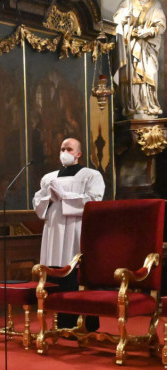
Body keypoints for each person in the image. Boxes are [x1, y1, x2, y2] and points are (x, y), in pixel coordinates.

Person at [33, 138, 105, 332]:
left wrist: (65, 196)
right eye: (62, 149)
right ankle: (61, 323)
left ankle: (86, 324)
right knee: (56, 273)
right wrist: (49, 197)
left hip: (77, 228)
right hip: (54, 229)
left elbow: (94, 201)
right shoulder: (49, 178)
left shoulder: (91, 175)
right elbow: (38, 202)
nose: (64, 152)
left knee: (76, 272)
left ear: (78, 154)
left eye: (69, 149)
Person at [113, 0, 165, 118]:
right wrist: (124, 18)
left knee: (151, 72)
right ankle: (134, 106)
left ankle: (149, 104)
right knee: (133, 75)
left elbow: (161, 24)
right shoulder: (128, 2)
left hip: (147, 47)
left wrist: (149, 31)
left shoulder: (155, 4)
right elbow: (116, 21)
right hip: (132, 47)